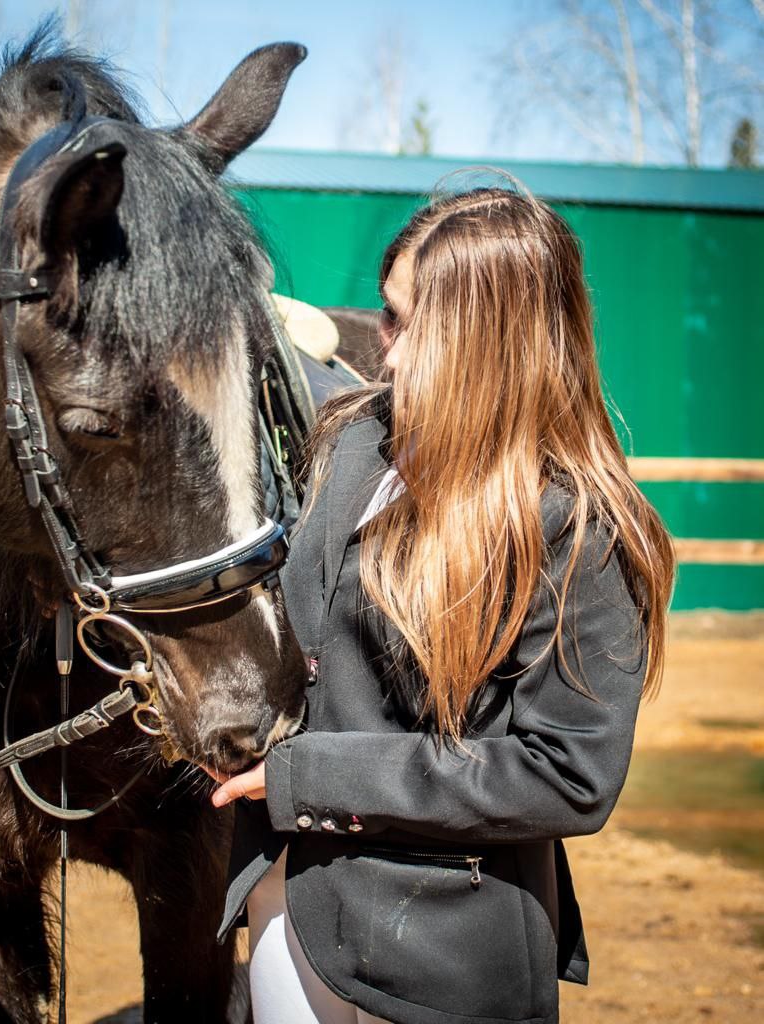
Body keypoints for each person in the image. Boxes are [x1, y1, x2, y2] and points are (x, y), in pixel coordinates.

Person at [207, 183, 676, 1024]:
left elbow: (569, 777)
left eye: (423, 328)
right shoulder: (350, 437)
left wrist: (305, 776)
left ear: (502, 342)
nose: (388, 356)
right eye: (390, 317)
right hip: (286, 902)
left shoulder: (575, 526)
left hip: (443, 946)